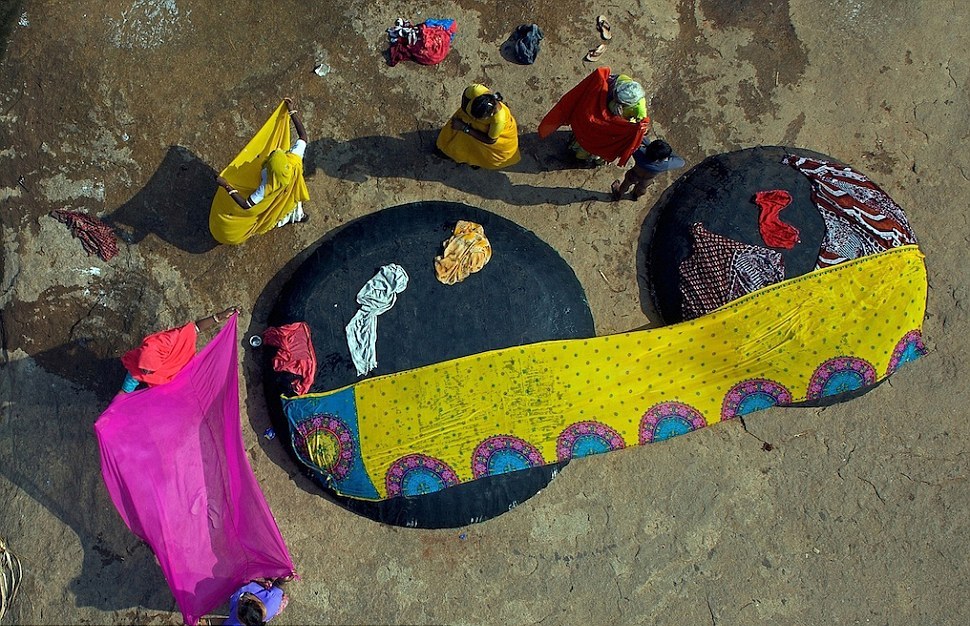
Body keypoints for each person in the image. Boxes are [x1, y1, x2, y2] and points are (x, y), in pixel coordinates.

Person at [211, 98, 310, 244]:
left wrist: (226, 185)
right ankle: (299, 215)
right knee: (289, 203)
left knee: (276, 213)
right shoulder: (292, 159)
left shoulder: (266, 186)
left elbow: (246, 205)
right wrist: (292, 112)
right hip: (289, 189)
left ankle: (294, 217)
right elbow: (303, 136)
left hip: (275, 197)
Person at [538, 67, 650, 166]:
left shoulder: (639, 109)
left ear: (630, 104)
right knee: (584, 136)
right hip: (593, 120)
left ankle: (583, 157)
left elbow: (642, 128)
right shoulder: (619, 81)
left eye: (620, 102)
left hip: (609, 130)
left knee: (595, 145)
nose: (615, 101)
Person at [118, 307, 240, 393]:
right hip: (159, 380)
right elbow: (125, 391)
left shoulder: (172, 341)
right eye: (144, 370)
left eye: (148, 371)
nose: (146, 373)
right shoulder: (136, 367)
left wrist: (221, 316)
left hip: (176, 375)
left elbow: (196, 328)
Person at [436, 84, 521, 170]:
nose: (474, 119)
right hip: (463, 123)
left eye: (479, 118)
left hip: (481, 136)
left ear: (491, 114)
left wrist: (464, 128)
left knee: (478, 153)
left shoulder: (499, 120)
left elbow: (490, 140)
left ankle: (475, 160)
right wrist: (465, 121)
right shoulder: (475, 90)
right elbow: (464, 104)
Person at [610, 139, 686, 200]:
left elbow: (636, 140)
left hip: (634, 174)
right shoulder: (664, 165)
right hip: (647, 179)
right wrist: (667, 153)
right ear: (660, 159)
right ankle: (635, 196)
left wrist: (649, 145)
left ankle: (618, 194)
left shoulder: (639, 153)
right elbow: (681, 162)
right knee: (642, 189)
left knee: (625, 184)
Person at [225, 578, 290, 626]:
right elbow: (279, 585)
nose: (242, 599)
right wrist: (283, 579)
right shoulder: (272, 602)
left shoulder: (237, 599)